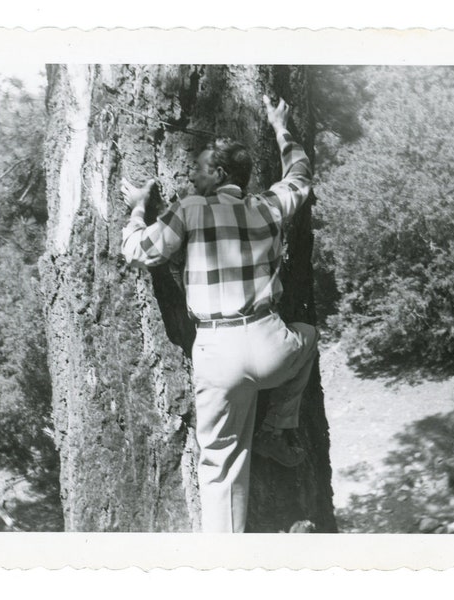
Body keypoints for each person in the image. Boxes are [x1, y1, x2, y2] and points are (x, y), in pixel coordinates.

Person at [121, 95, 318, 533]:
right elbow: (300, 175)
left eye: (201, 166)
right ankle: (277, 426)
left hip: (218, 351)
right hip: (273, 346)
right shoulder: (267, 206)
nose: (191, 172)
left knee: (221, 467)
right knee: (308, 334)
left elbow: (136, 252)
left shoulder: (191, 208)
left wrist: (137, 206)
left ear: (220, 174)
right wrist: (280, 125)